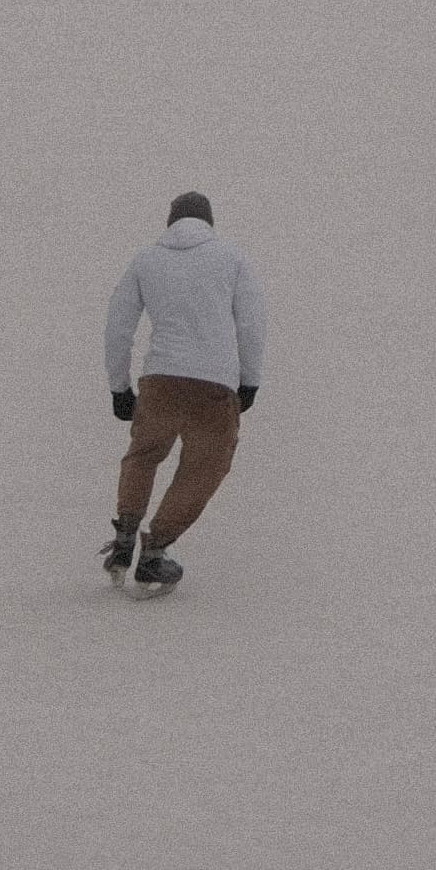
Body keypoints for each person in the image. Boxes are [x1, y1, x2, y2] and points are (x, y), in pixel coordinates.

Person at [102, 190, 267, 591]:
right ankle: (155, 551)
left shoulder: (145, 259)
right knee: (205, 467)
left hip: (160, 381)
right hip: (215, 385)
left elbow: (118, 327)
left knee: (143, 454)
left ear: (170, 221)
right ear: (209, 222)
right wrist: (250, 381)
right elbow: (251, 324)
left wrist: (119, 388)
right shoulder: (233, 258)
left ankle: (125, 536)